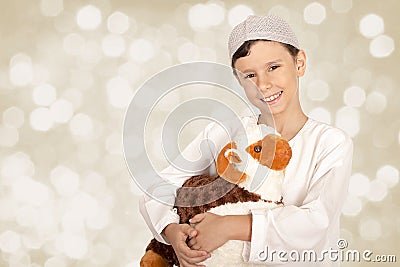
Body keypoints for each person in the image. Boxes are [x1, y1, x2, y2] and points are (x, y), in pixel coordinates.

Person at [139, 14, 353, 266]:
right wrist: (172, 232)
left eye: (273, 67)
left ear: (300, 63)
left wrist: (230, 226)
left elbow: (316, 223)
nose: (263, 84)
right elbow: (159, 187)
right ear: (238, 80)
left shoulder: (330, 143)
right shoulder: (223, 132)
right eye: (249, 75)